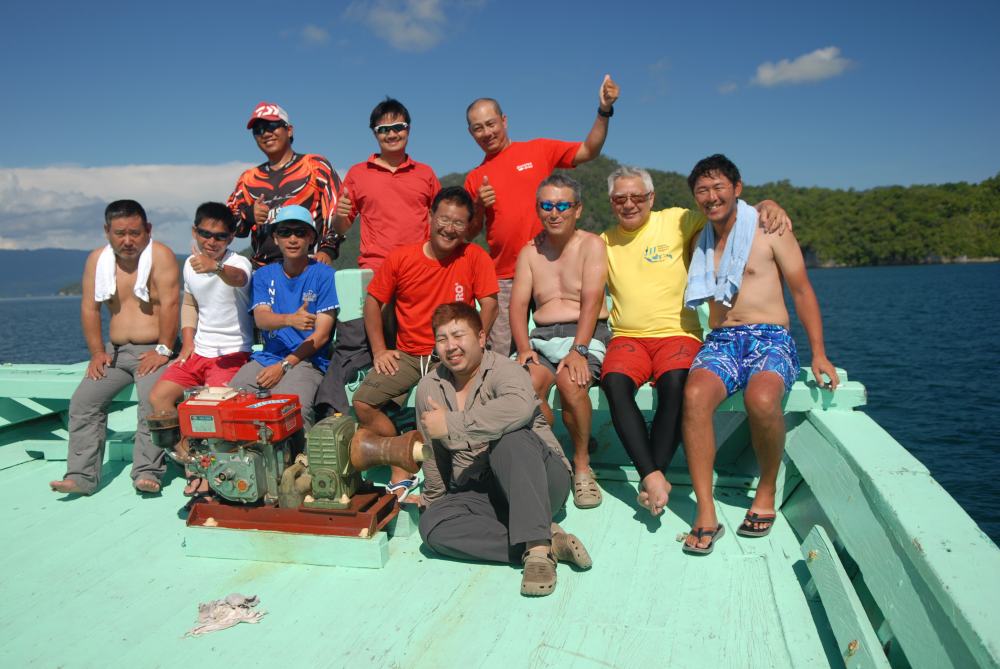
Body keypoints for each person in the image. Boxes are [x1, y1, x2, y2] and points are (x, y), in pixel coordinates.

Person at [600, 166, 792, 519]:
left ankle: (651, 477)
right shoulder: (604, 241)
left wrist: (767, 202)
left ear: (651, 198)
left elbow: (724, 208)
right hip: (627, 337)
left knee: (676, 384)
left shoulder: (676, 220)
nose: (629, 205)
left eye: (637, 197)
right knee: (613, 384)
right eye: (620, 199)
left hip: (678, 332)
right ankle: (654, 476)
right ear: (611, 202)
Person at [680, 155, 839, 554]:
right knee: (695, 397)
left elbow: (802, 291)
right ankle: (705, 511)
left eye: (719, 187)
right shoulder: (697, 239)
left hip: (770, 337)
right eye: (702, 190)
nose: (711, 196)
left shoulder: (770, 229)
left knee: (762, 398)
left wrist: (818, 354)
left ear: (738, 188)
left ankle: (765, 489)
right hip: (722, 340)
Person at [417, 302, 593, 597]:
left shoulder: (506, 370)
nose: (451, 346)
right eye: (442, 339)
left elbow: (518, 409)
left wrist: (451, 424)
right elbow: (432, 452)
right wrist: (435, 500)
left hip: (540, 479)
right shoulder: (429, 387)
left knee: (509, 437)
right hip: (483, 490)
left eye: (459, 336)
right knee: (433, 526)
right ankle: (546, 540)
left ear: (482, 338)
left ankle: (537, 552)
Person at [351, 187, 499, 499]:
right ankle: (400, 456)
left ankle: (461, 470)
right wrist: (379, 349)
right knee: (363, 402)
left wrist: (475, 346)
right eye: (444, 219)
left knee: (463, 404)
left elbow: (490, 304)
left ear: (468, 226)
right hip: (407, 354)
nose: (450, 228)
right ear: (430, 217)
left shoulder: (475, 257)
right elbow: (373, 302)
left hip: (452, 353)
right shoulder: (401, 258)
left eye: (459, 223)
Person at [463, 74, 620, 356]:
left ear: (504, 121)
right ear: (470, 133)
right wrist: (476, 206)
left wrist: (604, 110)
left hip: (552, 269)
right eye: (478, 128)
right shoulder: (475, 178)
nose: (486, 132)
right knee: (502, 354)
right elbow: (469, 232)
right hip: (506, 276)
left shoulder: (538, 149)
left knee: (558, 351)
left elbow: (589, 150)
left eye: (491, 124)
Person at [315, 97, 441, 417]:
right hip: (373, 273)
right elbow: (341, 226)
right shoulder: (358, 173)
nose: (391, 134)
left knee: (411, 351)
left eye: (398, 127)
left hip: (418, 274)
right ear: (374, 134)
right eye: (383, 129)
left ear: (408, 130)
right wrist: (339, 217)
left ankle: (398, 413)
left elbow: (443, 222)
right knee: (354, 346)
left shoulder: (425, 174)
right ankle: (334, 415)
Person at [50, 200, 180, 495]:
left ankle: (147, 472)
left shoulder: (160, 256)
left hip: (155, 350)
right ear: (107, 231)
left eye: (135, 232)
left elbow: (171, 304)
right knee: (84, 402)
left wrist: (163, 349)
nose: (128, 240)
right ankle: (81, 476)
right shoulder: (98, 261)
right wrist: (97, 352)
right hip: (116, 352)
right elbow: (89, 308)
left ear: (148, 230)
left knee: (152, 400)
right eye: (120, 233)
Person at [510, 174, 610, 509]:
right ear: (538, 209)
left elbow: (593, 299)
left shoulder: (591, 245)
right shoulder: (530, 253)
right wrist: (523, 349)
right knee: (525, 385)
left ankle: (582, 466)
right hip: (541, 339)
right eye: (547, 206)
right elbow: (519, 305)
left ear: (577, 209)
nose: (555, 212)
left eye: (563, 205)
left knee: (572, 383)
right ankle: (550, 457)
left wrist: (579, 350)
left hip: (585, 334)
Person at [148, 202, 253, 495]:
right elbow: (190, 302)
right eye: (205, 234)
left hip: (232, 354)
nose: (211, 241)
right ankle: (192, 462)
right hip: (199, 353)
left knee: (207, 412)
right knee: (159, 398)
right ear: (195, 231)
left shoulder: (238, 264)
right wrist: (188, 342)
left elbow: (239, 278)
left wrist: (215, 267)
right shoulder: (190, 264)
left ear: (231, 238)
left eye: (220, 237)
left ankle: (206, 475)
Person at [227, 205, 338, 428]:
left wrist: (285, 366)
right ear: (275, 238)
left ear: (311, 238)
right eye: (285, 232)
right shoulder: (265, 275)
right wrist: (290, 320)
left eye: (300, 232)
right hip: (267, 358)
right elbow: (261, 319)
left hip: (308, 361)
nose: (293, 238)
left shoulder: (325, 275)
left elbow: (322, 335)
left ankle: (303, 460)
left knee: (292, 406)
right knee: (233, 398)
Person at [227, 101, 343, 268]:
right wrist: (249, 214)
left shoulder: (315, 166)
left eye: (272, 126)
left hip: (309, 265)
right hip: (263, 271)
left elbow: (337, 212)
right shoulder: (248, 179)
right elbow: (227, 225)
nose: (265, 133)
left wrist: (327, 250)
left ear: (289, 130)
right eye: (258, 130)